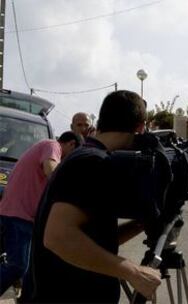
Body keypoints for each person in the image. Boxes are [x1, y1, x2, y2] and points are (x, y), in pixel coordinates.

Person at [21, 90, 162, 303]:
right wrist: (132, 272)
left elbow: (91, 238)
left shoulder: (87, 156)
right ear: (140, 127)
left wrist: (141, 224)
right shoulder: (91, 162)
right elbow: (58, 237)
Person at [0, 131, 82, 296]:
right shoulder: (52, 145)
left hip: (12, 212)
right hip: (20, 216)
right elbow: (51, 170)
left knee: (24, 268)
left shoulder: (42, 146)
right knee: (18, 265)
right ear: (71, 144)